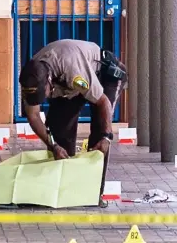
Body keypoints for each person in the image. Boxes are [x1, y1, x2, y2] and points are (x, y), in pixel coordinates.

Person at [19, 39, 128, 208]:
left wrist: (107, 137)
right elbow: (33, 116)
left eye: (43, 94)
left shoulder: (73, 71)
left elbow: (103, 102)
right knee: (59, 135)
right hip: (67, 86)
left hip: (104, 74)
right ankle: (64, 190)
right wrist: (53, 145)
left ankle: (92, 194)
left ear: (48, 81)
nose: (43, 99)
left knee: (100, 135)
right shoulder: (31, 77)